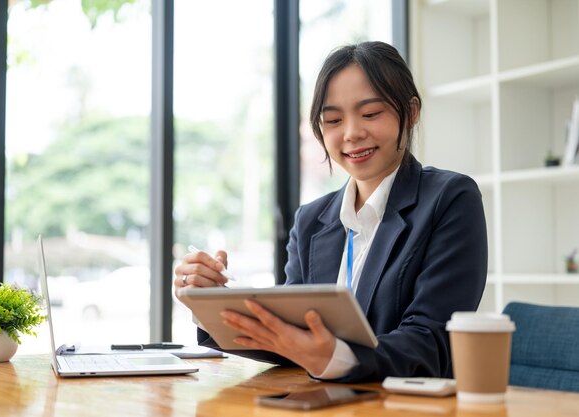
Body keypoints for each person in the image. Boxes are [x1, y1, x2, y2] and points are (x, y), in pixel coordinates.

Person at [173, 41, 487, 383]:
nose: (351, 133)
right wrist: (210, 304)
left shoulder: (449, 198)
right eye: (333, 119)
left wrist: (331, 357)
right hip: (325, 403)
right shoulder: (310, 221)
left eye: (370, 113)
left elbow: (432, 341)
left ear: (411, 112)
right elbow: (286, 341)